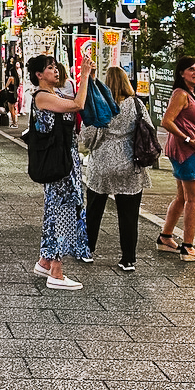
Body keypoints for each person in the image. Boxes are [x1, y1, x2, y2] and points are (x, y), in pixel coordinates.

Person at [28, 50, 93, 290]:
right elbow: (78, 104)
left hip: (66, 160)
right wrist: (84, 75)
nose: (55, 71)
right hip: (60, 164)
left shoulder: (54, 93)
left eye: (55, 66)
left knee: (55, 211)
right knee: (63, 212)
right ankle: (56, 271)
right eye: (49, 68)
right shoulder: (42, 96)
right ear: (39, 75)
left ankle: (45, 261)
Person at [80, 67, 154, 272]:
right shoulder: (137, 104)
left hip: (102, 163)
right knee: (129, 213)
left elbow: (87, 136)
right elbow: (148, 127)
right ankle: (128, 259)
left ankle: (88, 249)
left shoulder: (100, 104)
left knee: (94, 209)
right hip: (129, 162)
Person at [157, 56, 195, 261]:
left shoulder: (189, 94)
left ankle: (166, 237)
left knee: (182, 196)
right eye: (190, 69)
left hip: (185, 148)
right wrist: (188, 138)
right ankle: (188, 246)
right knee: (194, 198)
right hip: (187, 150)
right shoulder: (180, 94)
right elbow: (166, 121)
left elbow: (183, 119)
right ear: (181, 73)